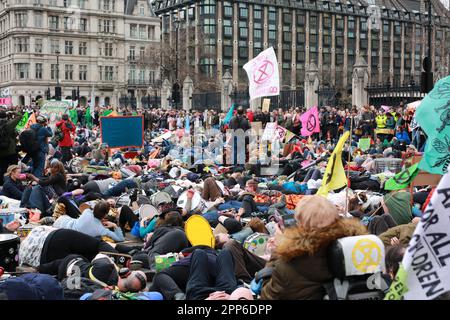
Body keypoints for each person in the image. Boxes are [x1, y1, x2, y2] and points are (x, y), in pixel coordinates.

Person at [260, 195, 367, 300]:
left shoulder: (289, 264)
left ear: (301, 225)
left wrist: (277, 251)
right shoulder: (360, 246)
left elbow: (266, 296)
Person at [38, 253, 146, 293]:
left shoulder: (106, 267)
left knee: (82, 257)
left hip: (71, 264)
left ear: (125, 273)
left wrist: (115, 266)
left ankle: (37, 269)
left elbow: (100, 255)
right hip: (69, 283)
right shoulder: (113, 293)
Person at [18, 226, 117, 268]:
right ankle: (119, 259)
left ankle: (118, 262)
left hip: (45, 258)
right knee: (98, 244)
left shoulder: (22, 255)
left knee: (87, 263)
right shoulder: (34, 232)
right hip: (56, 238)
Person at [53, 200, 125, 242]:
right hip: (64, 234)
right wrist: (115, 225)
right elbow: (121, 239)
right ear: (105, 215)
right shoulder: (102, 230)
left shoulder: (87, 212)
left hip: (61, 222)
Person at [0, 110, 22, 185]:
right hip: (11, 151)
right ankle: (15, 183)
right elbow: (19, 116)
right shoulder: (8, 125)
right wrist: (12, 112)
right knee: (14, 168)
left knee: (2, 168)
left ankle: (2, 184)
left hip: (1, 152)